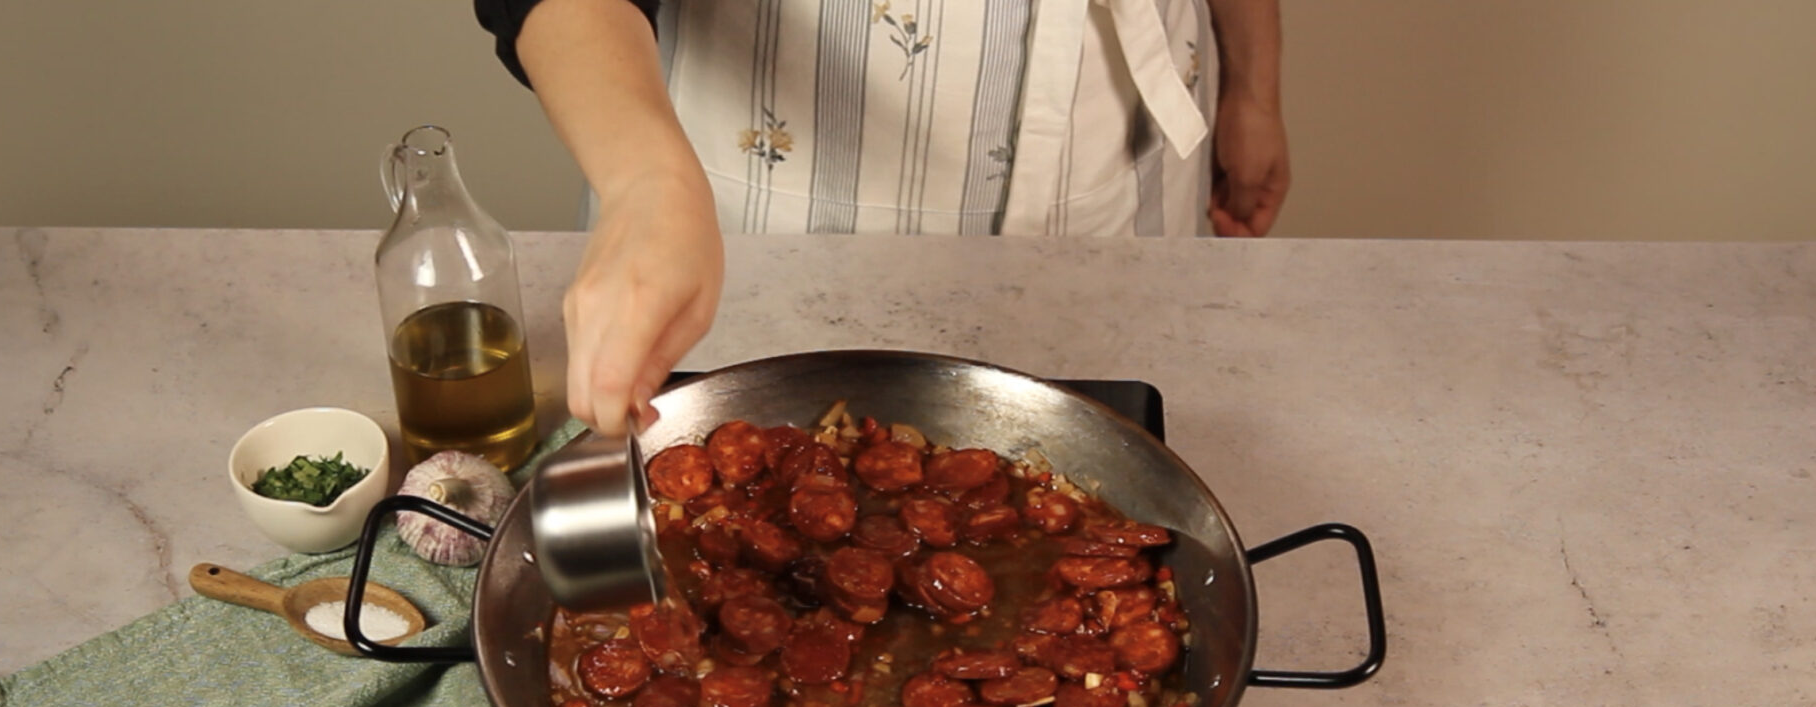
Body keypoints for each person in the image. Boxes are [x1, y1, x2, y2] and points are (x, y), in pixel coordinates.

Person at [475, 0, 1288, 435]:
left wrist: (1254, 86)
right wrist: (646, 181)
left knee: (1113, 469)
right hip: (779, 189)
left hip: (1114, 148)